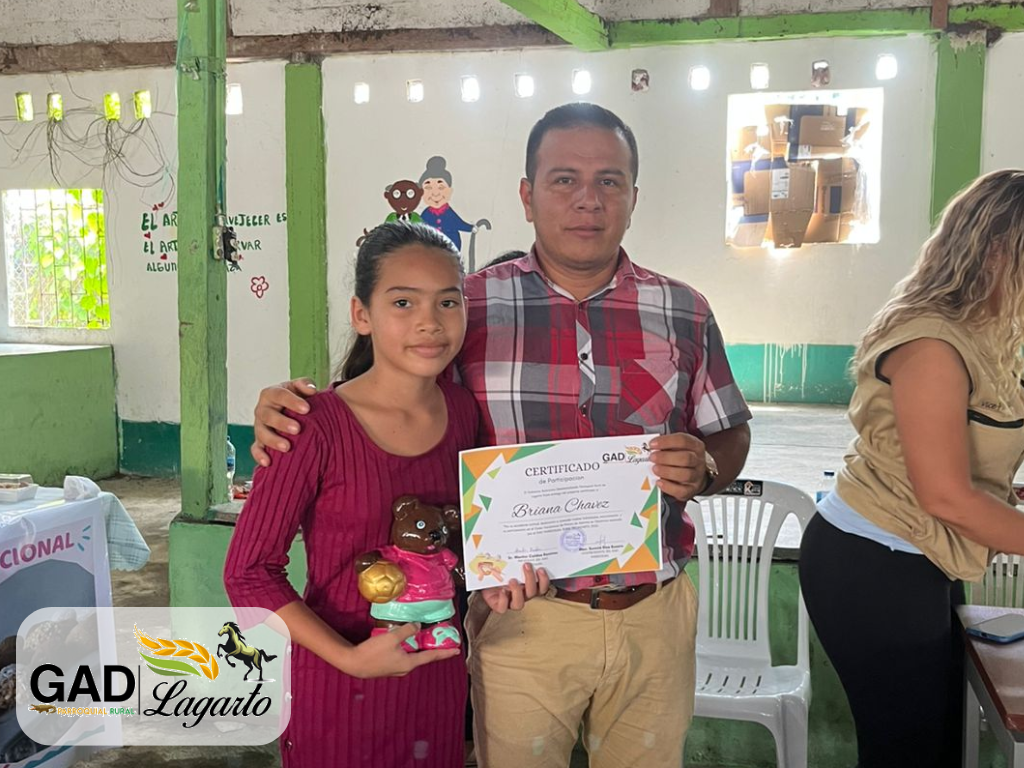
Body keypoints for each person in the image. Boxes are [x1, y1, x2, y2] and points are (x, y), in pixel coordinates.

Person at [251, 103, 753, 768]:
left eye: (609, 181)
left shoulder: (684, 310)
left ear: (633, 196)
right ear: (527, 194)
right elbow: (391, 392)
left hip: (654, 615)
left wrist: (707, 467)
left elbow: (729, 430)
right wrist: (294, 407)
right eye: (564, 179)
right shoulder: (466, 306)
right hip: (520, 616)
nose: (588, 200)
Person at [224, 221, 546, 768]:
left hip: (436, 682)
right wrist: (350, 659)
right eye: (403, 302)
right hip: (339, 687)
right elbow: (248, 574)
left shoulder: (464, 413)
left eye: (447, 302)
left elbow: (459, 546)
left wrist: (497, 580)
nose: (429, 322)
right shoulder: (311, 425)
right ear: (362, 315)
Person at [799, 170, 1024, 768]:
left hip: (924, 554)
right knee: (906, 751)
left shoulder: (983, 334)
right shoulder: (932, 344)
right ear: (997, 251)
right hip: (874, 562)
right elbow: (947, 497)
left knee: (938, 742)